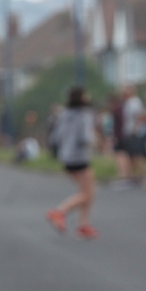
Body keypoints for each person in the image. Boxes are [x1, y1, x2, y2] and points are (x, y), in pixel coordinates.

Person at [45, 86, 98, 239]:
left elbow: (55, 137)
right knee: (87, 193)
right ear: (82, 97)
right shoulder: (85, 114)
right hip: (80, 157)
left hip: (66, 156)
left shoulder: (64, 114)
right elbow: (85, 137)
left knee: (87, 192)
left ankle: (83, 224)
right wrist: (95, 141)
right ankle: (60, 211)